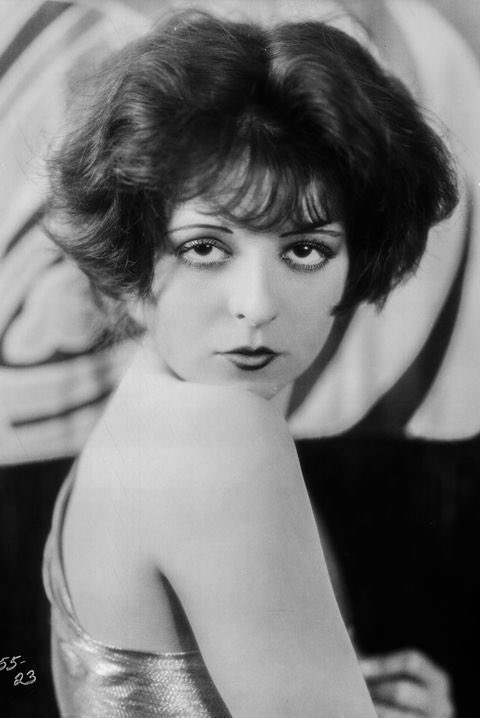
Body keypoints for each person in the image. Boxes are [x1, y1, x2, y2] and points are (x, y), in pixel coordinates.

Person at [42, 7, 457, 717]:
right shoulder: (220, 435)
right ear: (137, 251)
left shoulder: (149, 407)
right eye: (206, 247)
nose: (257, 305)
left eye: (305, 250)